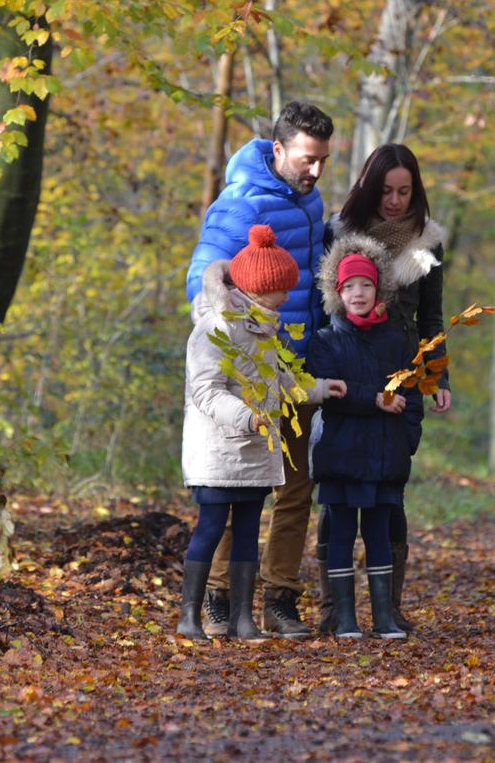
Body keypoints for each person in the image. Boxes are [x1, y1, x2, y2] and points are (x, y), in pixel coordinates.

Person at [185, 101, 334, 639]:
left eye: (322, 160)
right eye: (307, 158)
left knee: (297, 488)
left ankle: (280, 596)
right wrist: (234, 343)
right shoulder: (241, 204)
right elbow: (203, 278)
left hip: (296, 365)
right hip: (249, 372)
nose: (315, 170)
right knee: (237, 488)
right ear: (278, 150)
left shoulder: (311, 201)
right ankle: (222, 598)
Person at [321, 143, 448, 633]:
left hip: (401, 375)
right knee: (337, 491)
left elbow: (432, 316)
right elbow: (324, 304)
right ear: (368, 187)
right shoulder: (339, 231)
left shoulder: (427, 242)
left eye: (404, 191)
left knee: (388, 494)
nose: (394, 201)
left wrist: (436, 376)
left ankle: (388, 606)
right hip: (346, 368)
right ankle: (334, 607)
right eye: (386, 190)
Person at [305, 235, 419, 640]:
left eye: (366, 285)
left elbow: (412, 393)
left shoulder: (395, 341)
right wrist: (372, 400)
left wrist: (408, 441)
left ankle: (384, 616)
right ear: (338, 291)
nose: (358, 293)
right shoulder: (325, 341)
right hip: (340, 453)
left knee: (377, 533)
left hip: (384, 456)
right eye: (350, 286)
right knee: (339, 533)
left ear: (379, 289)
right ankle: (345, 617)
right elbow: (330, 395)